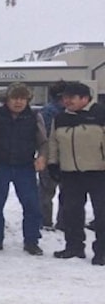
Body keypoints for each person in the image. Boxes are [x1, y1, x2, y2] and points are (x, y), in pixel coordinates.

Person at [0, 83, 47, 255]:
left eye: (23, 99)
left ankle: (32, 241)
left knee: (31, 205)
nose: (19, 102)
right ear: (6, 99)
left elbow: (43, 141)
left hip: (25, 167)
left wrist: (42, 157)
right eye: (15, 98)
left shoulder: (34, 116)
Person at [46, 82, 105, 264]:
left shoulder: (100, 113)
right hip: (71, 173)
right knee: (71, 212)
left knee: (102, 213)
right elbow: (53, 142)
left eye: (71, 97)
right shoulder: (61, 118)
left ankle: (102, 251)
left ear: (85, 99)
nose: (66, 101)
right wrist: (53, 163)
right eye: (64, 98)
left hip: (98, 172)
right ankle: (74, 247)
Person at [38, 80, 67, 229]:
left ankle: (44, 221)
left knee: (45, 191)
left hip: (48, 155)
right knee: (67, 192)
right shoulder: (67, 111)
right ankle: (63, 222)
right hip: (66, 156)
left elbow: (42, 135)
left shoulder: (45, 111)